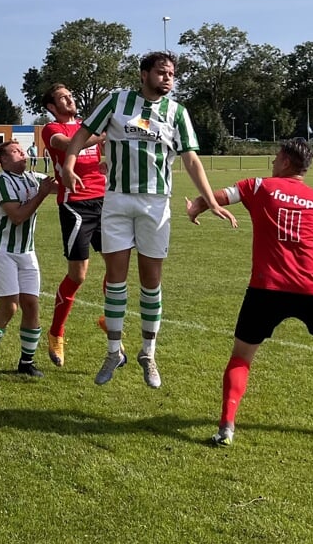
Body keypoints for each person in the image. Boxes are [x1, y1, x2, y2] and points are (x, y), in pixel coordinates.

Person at [62, 50, 237, 389]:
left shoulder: (178, 113)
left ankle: (148, 353)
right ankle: (114, 351)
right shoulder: (116, 101)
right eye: (161, 72)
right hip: (116, 201)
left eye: (171, 73)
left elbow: (191, 161)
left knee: (151, 281)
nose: (167, 78)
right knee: (115, 280)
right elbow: (81, 134)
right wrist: (69, 163)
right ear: (143, 74)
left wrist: (211, 200)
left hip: (155, 205)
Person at [186, 138, 313, 446]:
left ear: (286, 161)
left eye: (276, 157)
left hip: (265, 289)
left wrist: (197, 206)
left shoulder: (260, 186)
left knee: (241, 357)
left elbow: (216, 197)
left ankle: (226, 428)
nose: (272, 162)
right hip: (311, 288)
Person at [0, 141, 59, 380]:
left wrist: (77, 169)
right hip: (2, 250)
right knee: (10, 305)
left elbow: (63, 185)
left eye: (23, 151)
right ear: (4, 161)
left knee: (31, 304)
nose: (23, 154)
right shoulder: (3, 180)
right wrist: (42, 193)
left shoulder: (32, 177)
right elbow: (18, 216)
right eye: (16, 152)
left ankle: (26, 362)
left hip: (26, 251)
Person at [39, 82, 106, 367]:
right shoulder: (52, 130)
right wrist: (101, 134)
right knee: (78, 276)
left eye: (70, 96)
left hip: (104, 201)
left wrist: (108, 163)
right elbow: (69, 146)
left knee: (119, 265)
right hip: (75, 205)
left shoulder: (85, 125)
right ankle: (56, 333)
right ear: (52, 107)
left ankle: (109, 318)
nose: (69, 100)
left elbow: (100, 161)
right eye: (62, 98)